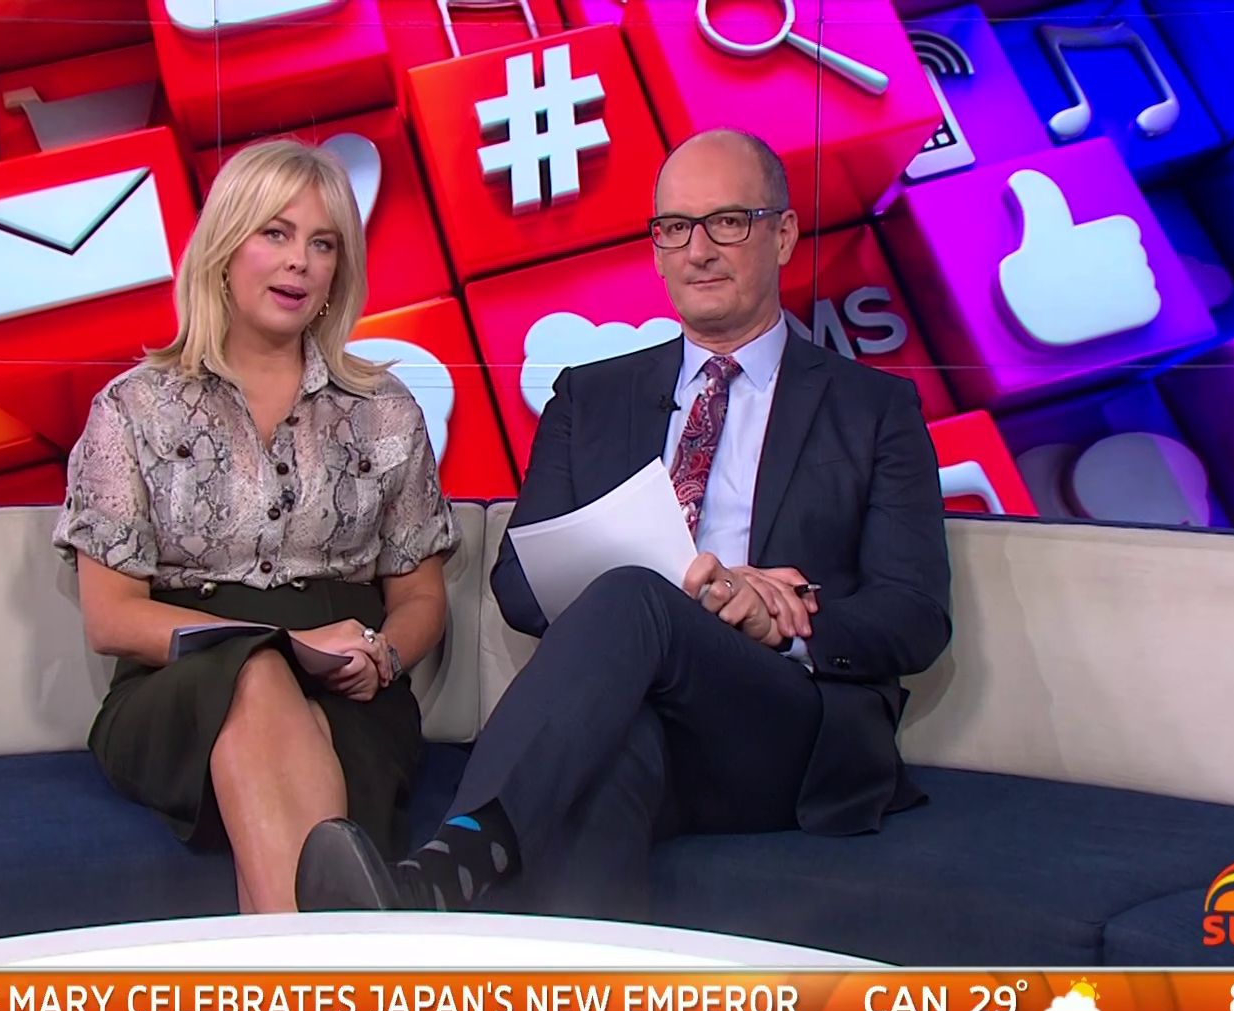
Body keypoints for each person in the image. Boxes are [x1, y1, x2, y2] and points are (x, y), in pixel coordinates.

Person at [295, 129, 951, 916]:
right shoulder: (590, 397)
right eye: (675, 228)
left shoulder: (873, 408)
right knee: (609, 757)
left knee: (639, 595)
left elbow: (916, 616)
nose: (698, 250)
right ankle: (571, 986)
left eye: (727, 222)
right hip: (633, 708)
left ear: (782, 236)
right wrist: (647, 591)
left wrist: (785, 620)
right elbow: (519, 585)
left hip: (783, 721)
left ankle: (445, 870)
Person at [52, 139, 459, 914]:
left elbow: (421, 598)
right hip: (179, 689)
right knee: (256, 675)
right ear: (225, 247)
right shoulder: (134, 408)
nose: (299, 260)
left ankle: (291, 974)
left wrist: (383, 655)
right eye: (275, 232)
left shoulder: (384, 411)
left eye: (322, 243)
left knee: (283, 718)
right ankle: (333, 966)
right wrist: (282, 645)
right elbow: (111, 618)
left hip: (352, 693)